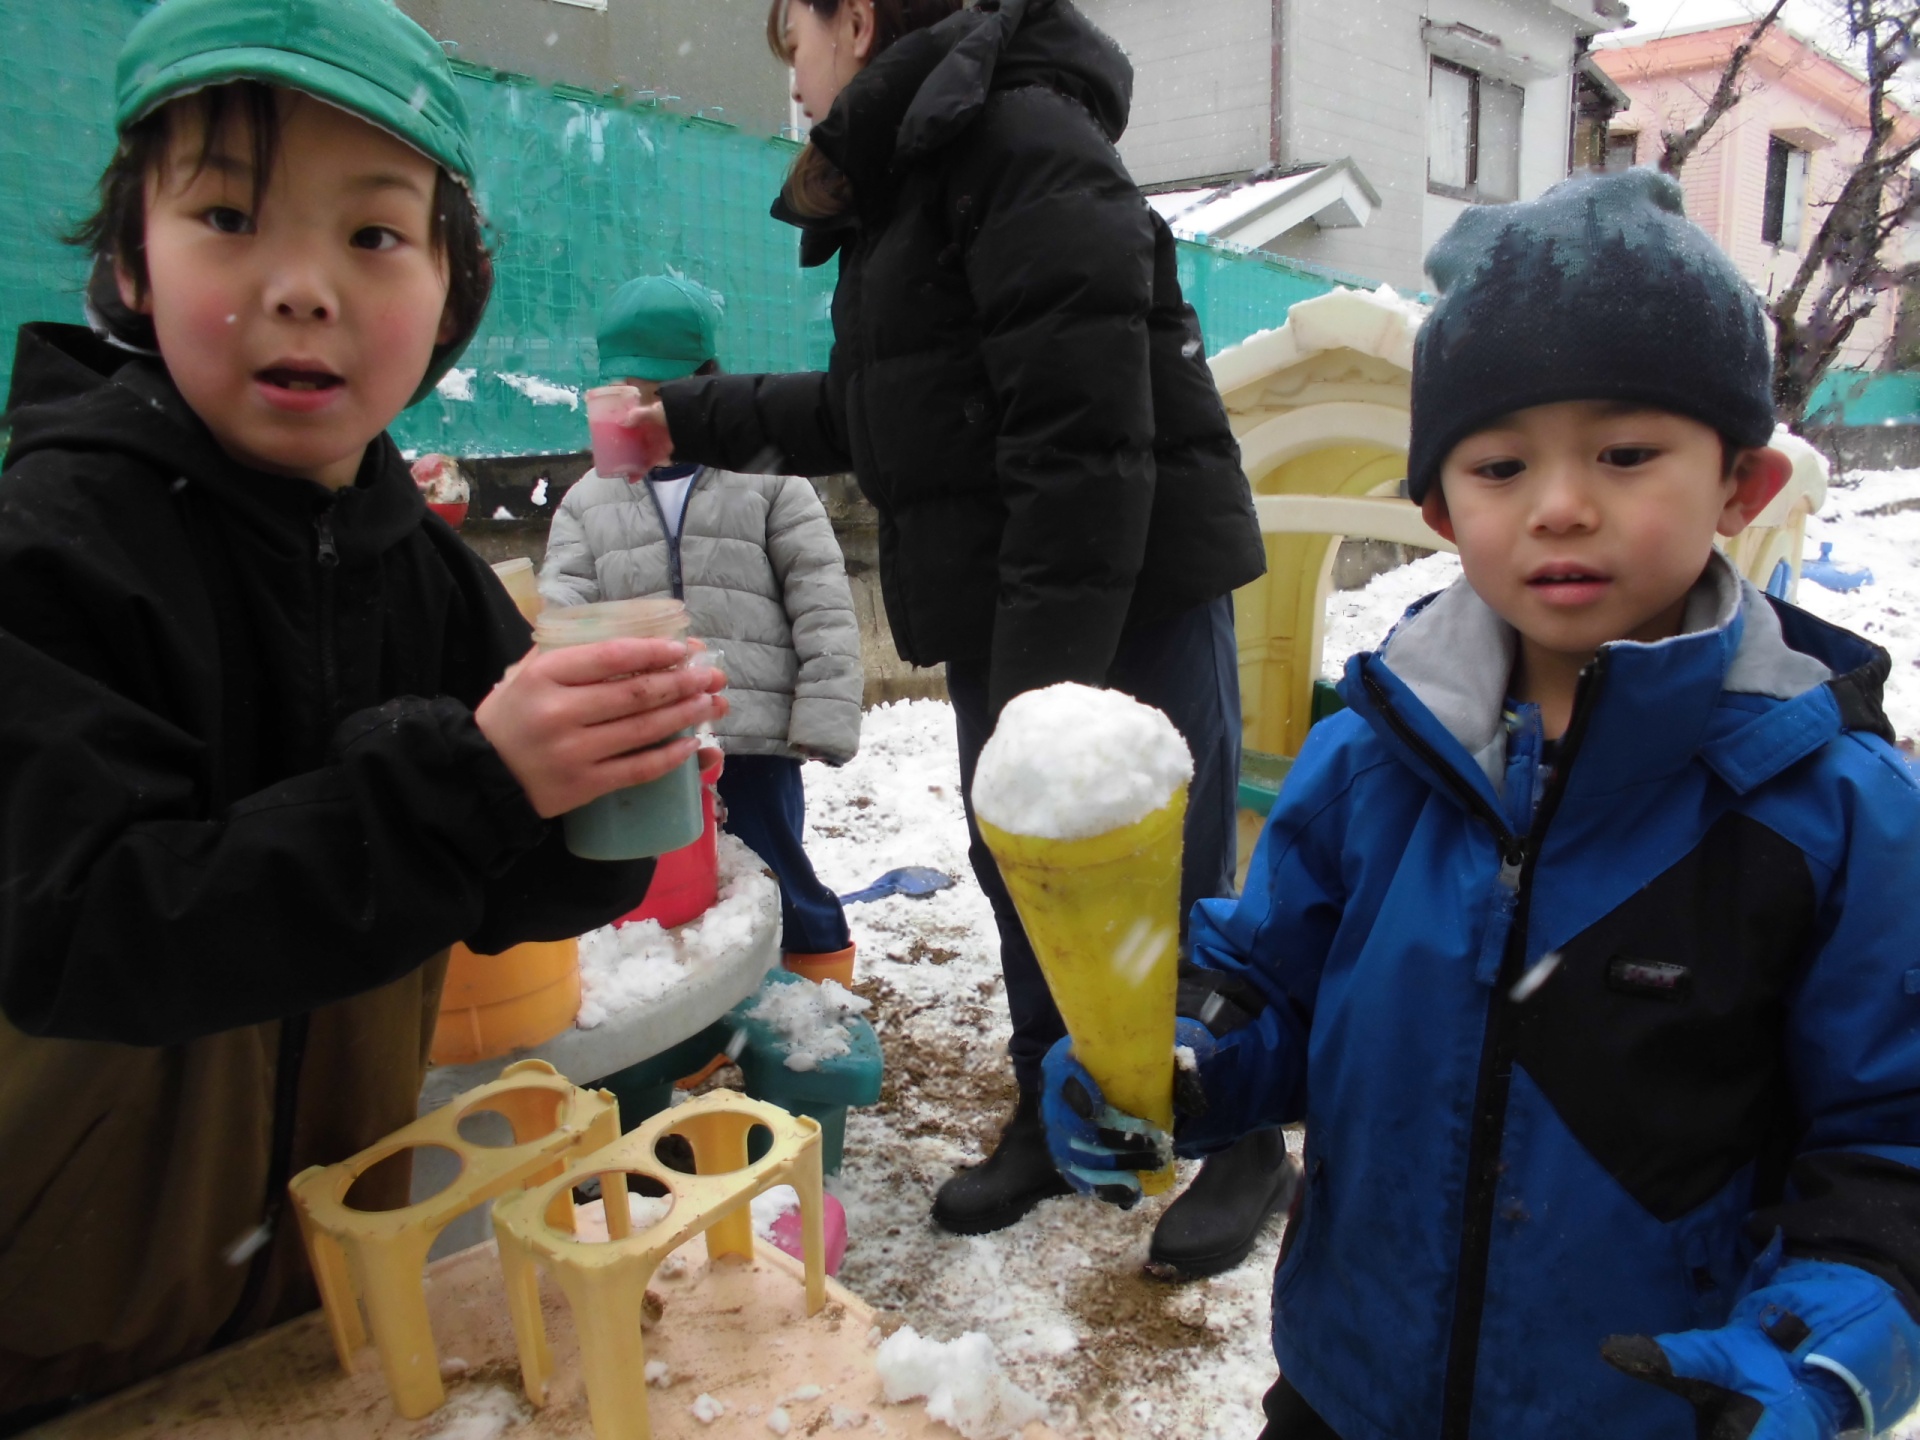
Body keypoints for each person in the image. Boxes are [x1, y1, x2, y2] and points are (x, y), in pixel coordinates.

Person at [1041, 167, 1920, 1439]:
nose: (1561, 505)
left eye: (1626, 453)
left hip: (1652, 1408)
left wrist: (1825, 1350)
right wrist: (1169, 1056)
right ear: (1441, 510)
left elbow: (1891, 1142)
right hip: (1347, 1390)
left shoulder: (1837, 813)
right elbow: (1271, 982)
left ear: (1743, 484)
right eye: (1501, 465)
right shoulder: (1374, 756)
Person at [0, 0, 726, 1427]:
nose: (302, 287)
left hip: (323, 1270)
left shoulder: (423, 572)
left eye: (375, 233)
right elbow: (80, 930)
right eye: (227, 216)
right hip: (54, 1307)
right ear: (132, 263)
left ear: (450, 297)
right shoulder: (56, 551)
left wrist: (595, 795)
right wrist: (474, 782)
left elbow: (505, 889)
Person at [620, 0, 1286, 1276]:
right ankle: (1055, 1104)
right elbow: (888, 410)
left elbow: (1082, 442)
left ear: (858, 19)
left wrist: (1042, 704)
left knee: (1166, 883)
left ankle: (1240, 1134)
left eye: (798, 47)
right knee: (1015, 861)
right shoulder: (916, 179)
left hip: (1129, 585)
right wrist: (690, 417)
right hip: (1007, 586)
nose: (797, 86)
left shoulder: (1023, 141)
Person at [542, 274, 864, 976]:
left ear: (705, 382)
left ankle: (816, 989)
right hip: (649, 737)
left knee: (776, 869)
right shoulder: (588, 499)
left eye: (656, 393)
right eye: (622, 393)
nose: (637, 412)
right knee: (665, 887)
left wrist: (824, 714)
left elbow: (820, 599)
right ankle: (701, 1002)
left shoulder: (770, 478)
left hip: (751, 729)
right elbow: (562, 608)